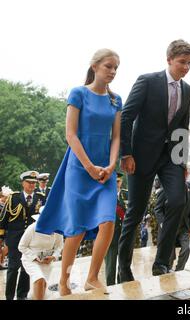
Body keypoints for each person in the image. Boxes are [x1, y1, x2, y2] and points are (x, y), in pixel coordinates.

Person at [36, 48, 122, 296]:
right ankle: (64, 280)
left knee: (108, 221)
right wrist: (88, 166)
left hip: (105, 171)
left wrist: (111, 165)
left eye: (116, 67)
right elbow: (70, 134)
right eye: (108, 66)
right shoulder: (78, 93)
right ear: (94, 66)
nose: (113, 71)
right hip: (78, 167)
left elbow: (116, 137)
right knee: (77, 228)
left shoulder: (116, 100)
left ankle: (93, 278)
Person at [119, 40, 190, 278]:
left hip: (171, 157)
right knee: (136, 210)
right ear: (169, 59)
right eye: (182, 62)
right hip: (141, 156)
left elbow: (183, 127)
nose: (186, 67)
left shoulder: (188, 90)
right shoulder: (147, 81)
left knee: (178, 200)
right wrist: (126, 153)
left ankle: (161, 262)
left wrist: (182, 162)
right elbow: (126, 117)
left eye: (189, 63)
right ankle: (124, 267)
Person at [0, 171, 46, 300]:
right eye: (29, 182)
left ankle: (22, 296)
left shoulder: (40, 197)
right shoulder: (13, 198)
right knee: (13, 268)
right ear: (23, 183)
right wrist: (1, 239)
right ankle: (9, 296)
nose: (32, 185)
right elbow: (3, 220)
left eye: (34, 183)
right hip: (14, 240)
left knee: (27, 269)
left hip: (32, 241)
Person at [18, 207, 63, 300]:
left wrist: (53, 256)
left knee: (43, 286)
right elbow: (21, 246)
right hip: (31, 260)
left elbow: (60, 246)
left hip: (47, 262)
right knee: (39, 279)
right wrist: (34, 257)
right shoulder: (32, 228)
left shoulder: (57, 230)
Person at [155, 170, 190, 271]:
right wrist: (163, 224)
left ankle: (179, 270)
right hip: (169, 227)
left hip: (184, 226)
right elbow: (158, 209)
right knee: (170, 255)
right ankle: (167, 271)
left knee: (186, 249)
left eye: (185, 173)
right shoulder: (166, 187)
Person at [104, 172, 127, 286]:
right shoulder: (106, 196)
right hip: (111, 236)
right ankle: (111, 288)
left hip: (124, 235)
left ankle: (121, 285)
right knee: (110, 266)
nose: (117, 184)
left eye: (118, 181)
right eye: (115, 182)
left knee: (123, 265)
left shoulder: (126, 195)